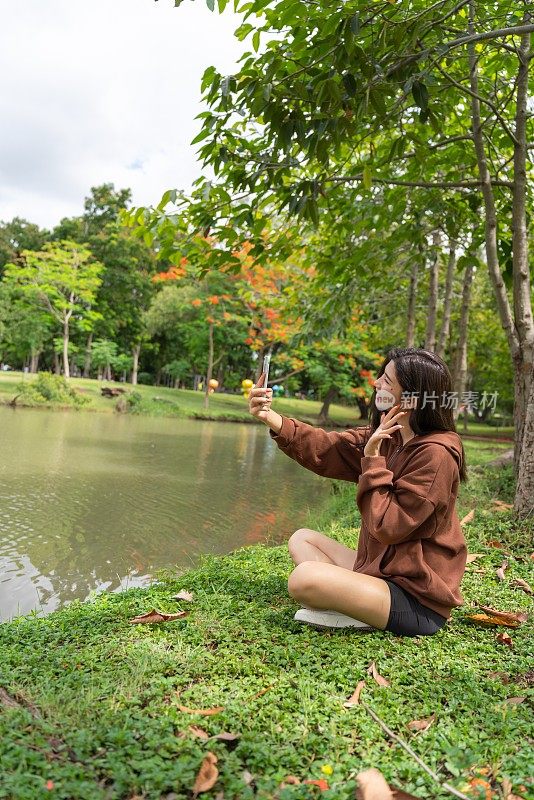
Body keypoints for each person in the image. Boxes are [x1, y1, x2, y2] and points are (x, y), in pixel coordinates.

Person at [248, 347, 468, 637]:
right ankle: (356, 603)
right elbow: (328, 448)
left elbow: (389, 527)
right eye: (381, 376)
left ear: (413, 398)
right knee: (303, 539)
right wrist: (270, 417)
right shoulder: (390, 435)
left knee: (303, 579)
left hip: (416, 597)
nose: (377, 384)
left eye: (388, 381)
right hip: (382, 570)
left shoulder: (436, 455)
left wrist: (373, 458)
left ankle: (359, 609)